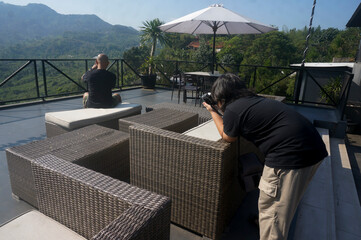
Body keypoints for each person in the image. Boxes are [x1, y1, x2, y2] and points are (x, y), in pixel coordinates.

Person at [203, 73, 328, 240]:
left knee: (273, 211)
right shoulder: (255, 100)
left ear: (221, 96)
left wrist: (212, 111)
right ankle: (267, 223)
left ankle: (270, 229)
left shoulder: (233, 109)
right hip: (313, 149)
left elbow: (228, 136)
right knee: (282, 206)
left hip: (289, 156)